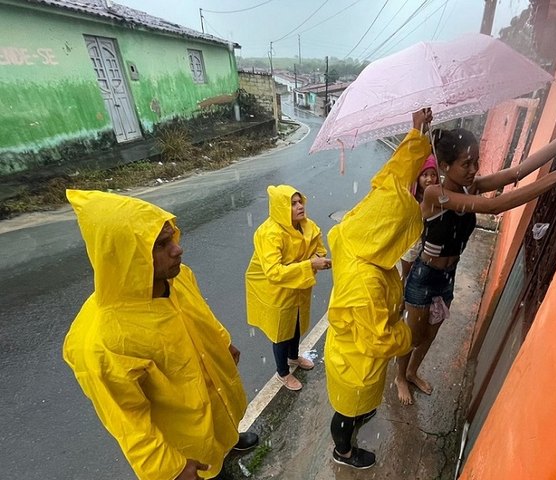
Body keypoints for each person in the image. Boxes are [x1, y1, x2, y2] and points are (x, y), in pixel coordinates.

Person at [395, 103, 556, 405]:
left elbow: (519, 171)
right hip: (424, 276)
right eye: (466, 163)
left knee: (431, 334)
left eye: (475, 161)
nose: (474, 169)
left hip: (446, 277)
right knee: (413, 337)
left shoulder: (470, 187)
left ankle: (413, 372)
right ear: (445, 166)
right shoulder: (434, 195)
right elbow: (494, 206)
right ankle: (401, 375)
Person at [62, 189, 258, 480]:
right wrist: (171, 468)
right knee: (213, 472)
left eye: (172, 238)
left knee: (222, 432)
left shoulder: (178, 278)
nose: (178, 249)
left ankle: (227, 442)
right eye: (161, 245)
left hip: (212, 401)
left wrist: (222, 341)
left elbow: (201, 314)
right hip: (186, 448)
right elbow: (128, 419)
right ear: (127, 257)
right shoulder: (103, 341)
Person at [325, 108, 433, 469]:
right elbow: (380, 341)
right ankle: (343, 450)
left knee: (355, 408)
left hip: (350, 350)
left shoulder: (357, 231)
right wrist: (409, 335)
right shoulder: (366, 280)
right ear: (390, 233)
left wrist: (417, 135)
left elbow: (390, 182)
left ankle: (352, 426)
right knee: (348, 413)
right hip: (356, 362)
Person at [245, 185, 331, 391]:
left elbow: (319, 248)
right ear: (280, 207)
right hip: (276, 289)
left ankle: (294, 357)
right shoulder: (270, 233)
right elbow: (274, 272)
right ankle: (282, 372)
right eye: (293, 204)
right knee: (282, 331)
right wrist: (310, 265)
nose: (300, 206)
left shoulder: (307, 225)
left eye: (300, 201)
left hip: (299, 285)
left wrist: (318, 258)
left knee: (297, 323)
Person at [400, 154, 439, 282]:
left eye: (433, 175)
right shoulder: (411, 195)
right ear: (418, 177)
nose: (429, 179)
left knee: (420, 276)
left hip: (427, 242)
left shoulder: (438, 196)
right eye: (425, 175)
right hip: (411, 241)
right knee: (406, 274)